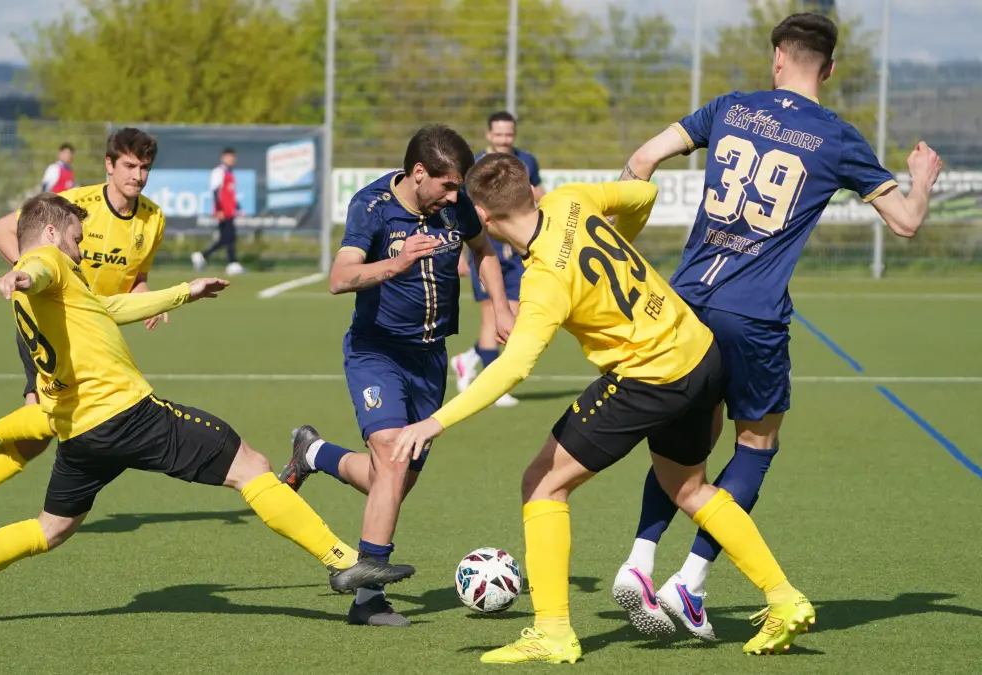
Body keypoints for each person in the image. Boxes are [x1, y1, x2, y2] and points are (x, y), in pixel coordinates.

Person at [0, 193, 404, 626]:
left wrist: (184, 292)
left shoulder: (62, 286)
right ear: (50, 232)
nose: (78, 247)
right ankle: (343, 561)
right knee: (252, 466)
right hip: (130, 415)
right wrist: (22, 276)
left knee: (51, 529)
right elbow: (39, 268)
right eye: (74, 238)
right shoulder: (43, 267)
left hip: (81, 433)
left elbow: (109, 309)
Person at [389, 153, 815, 662]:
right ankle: (784, 597)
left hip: (651, 376)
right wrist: (622, 238)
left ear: (483, 216)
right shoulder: (570, 199)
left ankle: (552, 632)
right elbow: (644, 194)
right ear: (530, 191)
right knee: (689, 488)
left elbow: (513, 368)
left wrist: (435, 421)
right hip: (699, 353)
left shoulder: (545, 279)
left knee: (542, 484)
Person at [611, 12, 942, 642]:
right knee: (756, 445)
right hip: (753, 315)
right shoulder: (836, 137)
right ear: (831, 68)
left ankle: (640, 560)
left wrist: (625, 240)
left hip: (684, 306)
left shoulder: (731, 108)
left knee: (687, 442)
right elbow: (904, 223)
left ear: (777, 59)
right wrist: (921, 181)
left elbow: (642, 159)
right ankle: (691, 581)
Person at [276, 125, 515, 627]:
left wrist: (498, 309)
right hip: (377, 352)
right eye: (448, 186)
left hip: (430, 359)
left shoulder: (453, 205)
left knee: (391, 479)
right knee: (389, 454)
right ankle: (369, 596)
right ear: (419, 173)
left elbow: (485, 250)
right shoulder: (372, 206)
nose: (456, 197)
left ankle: (313, 453)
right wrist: (398, 261)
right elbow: (340, 279)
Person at [0, 128, 170, 541]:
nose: (137, 176)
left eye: (145, 168)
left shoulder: (153, 218)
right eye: (128, 166)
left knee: (39, 435)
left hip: (90, 340)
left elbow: (137, 277)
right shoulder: (72, 204)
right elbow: (0, 231)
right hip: (50, 329)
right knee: (50, 423)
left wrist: (148, 299)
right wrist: (31, 278)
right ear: (109, 164)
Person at [450, 111, 545, 408]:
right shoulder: (475, 166)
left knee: (513, 319)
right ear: (489, 135)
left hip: (517, 250)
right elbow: (460, 209)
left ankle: (468, 359)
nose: (504, 139)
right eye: (499, 134)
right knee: (492, 314)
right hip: (485, 248)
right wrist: (458, 255)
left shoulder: (526, 162)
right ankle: (495, 386)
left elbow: (538, 194)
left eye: (509, 134)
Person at [192, 147, 245, 275]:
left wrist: (238, 208)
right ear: (223, 157)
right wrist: (219, 209)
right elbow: (216, 191)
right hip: (223, 211)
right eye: (229, 157)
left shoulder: (230, 173)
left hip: (230, 210)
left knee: (228, 237)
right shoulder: (219, 171)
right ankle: (210, 257)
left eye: (233, 157)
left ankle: (228, 262)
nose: (232, 160)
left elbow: (231, 194)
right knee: (228, 237)